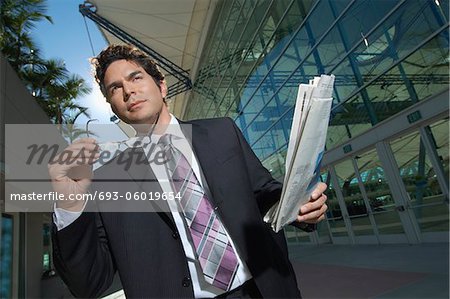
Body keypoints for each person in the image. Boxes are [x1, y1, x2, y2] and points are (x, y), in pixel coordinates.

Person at [49, 44, 328, 298]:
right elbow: (88, 283)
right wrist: (70, 205)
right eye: (115, 88)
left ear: (162, 86)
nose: (128, 91)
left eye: (135, 78)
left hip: (266, 289)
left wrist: (298, 204)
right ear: (113, 106)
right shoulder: (109, 179)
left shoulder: (222, 132)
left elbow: (263, 191)